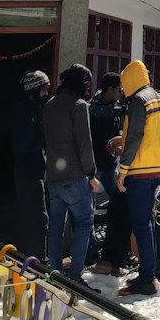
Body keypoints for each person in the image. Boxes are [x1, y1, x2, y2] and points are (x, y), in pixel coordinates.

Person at [43, 63, 101, 283]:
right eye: (86, 83)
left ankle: (55, 274)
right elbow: (84, 144)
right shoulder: (79, 106)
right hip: (75, 177)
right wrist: (91, 174)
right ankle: (76, 277)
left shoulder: (48, 105)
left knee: (55, 228)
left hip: (53, 178)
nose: (88, 88)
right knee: (84, 224)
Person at [116, 59, 160, 296]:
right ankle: (149, 273)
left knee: (140, 224)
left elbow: (135, 136)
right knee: (146, 223)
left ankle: (148, 278)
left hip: (138, 169)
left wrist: (123, 169)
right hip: (155, 167)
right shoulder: (157, 97)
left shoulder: (138, 100)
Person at [11, 69, 49, 261]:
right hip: (29, 173)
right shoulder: (26, 111)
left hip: (32, 171)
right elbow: (26, 143)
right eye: (43, 90)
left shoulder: (33, 109)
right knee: (38, 218)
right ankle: (37, 261)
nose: (46, 94)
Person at [89, 72, 126, 197]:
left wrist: (119, 144)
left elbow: (119, 128)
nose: (122, 94)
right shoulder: (91, 108)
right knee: (90, 204)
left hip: (110, 163)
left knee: (117, 199)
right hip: (95, 164)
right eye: (119, 90)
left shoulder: (116, 106)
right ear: (110, 89)